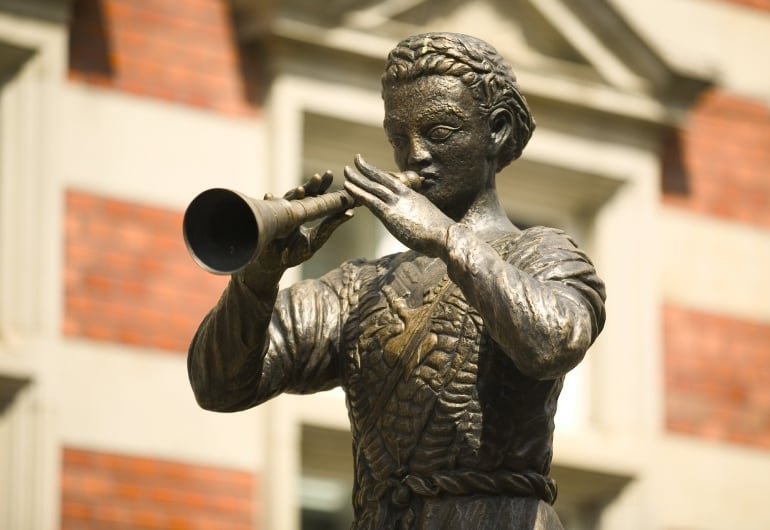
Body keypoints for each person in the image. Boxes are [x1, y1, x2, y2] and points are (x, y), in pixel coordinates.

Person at [188, 32, 606, 530]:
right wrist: (258, 276)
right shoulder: (357, 288)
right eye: (397, 137)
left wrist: (446, 238)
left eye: (440, 131)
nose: (414, 155)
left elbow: (556, 340)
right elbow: (218, 386)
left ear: (495, 130)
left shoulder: (541, 252)